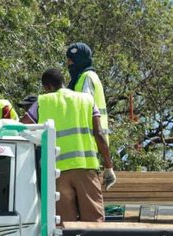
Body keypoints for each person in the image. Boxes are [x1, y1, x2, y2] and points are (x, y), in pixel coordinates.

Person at [34, 67, 113, 222]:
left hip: (58, 172)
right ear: (63, 82)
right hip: (85, 169)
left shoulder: (42, 102)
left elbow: (23, 126)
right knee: (94, 222)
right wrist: (108, 166)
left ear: (47, 87)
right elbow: (99, 133)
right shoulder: (87, 100)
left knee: (64, 225)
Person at [65, 42, 116, 191]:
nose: (69, 65)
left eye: (71, 61)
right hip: (86, 149)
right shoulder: (81, 79)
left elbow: (88, 112)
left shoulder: (87, 78)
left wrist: (108, 165)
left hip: (86, 149)